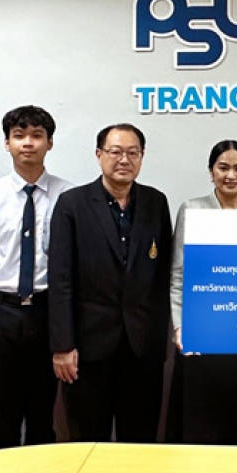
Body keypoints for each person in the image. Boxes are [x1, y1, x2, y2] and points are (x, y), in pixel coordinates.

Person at [48, 123, 173, 442]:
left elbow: (162, 279)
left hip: (142, 348)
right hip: (87, 348)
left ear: (142, 157)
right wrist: (63, 346)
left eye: (133, 153)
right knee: (88, 440)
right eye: (116, 152)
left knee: (140, 441)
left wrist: (160, 343)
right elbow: (60, 279)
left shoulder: (156, 202)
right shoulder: (72, 204)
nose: (124, 160)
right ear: (99, 154)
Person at [0, 105, 73, 449]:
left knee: (43, 412)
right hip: (1, 312)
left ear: (50, 143)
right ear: (7, 143)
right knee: (2, 414)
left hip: (47, 312)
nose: (28, 143)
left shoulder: (68, 196)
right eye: (19, 136)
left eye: (37, 136)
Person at [166, 140, 237, 445]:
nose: (231, 175)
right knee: (204, 422)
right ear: (211, 171)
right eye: (223, 168)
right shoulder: (192, 209)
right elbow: (178, 274)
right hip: (203, 332)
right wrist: (180, 327)